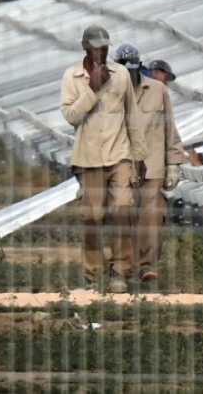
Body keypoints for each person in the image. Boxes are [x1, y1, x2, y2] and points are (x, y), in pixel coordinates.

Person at [60, 25, 148, 294]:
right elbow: (71, 116)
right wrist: (92, 88)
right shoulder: (72, 77)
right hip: (88, 159)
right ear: (85, 47)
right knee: (92, 216)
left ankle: (120, 269)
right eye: (96, 47)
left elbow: (132, 115)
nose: (101, 52)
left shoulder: (121, 75)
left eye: (105, 47)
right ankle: (93, 272)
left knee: (122, 208)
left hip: (118, 154)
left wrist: (139, 156)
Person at [116, 46, 185, 283]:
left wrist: (174, 162)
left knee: (152, 214)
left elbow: (169, 128)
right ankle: (124, 268)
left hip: (152, 166)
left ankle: (147, 266)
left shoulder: (157, 90)